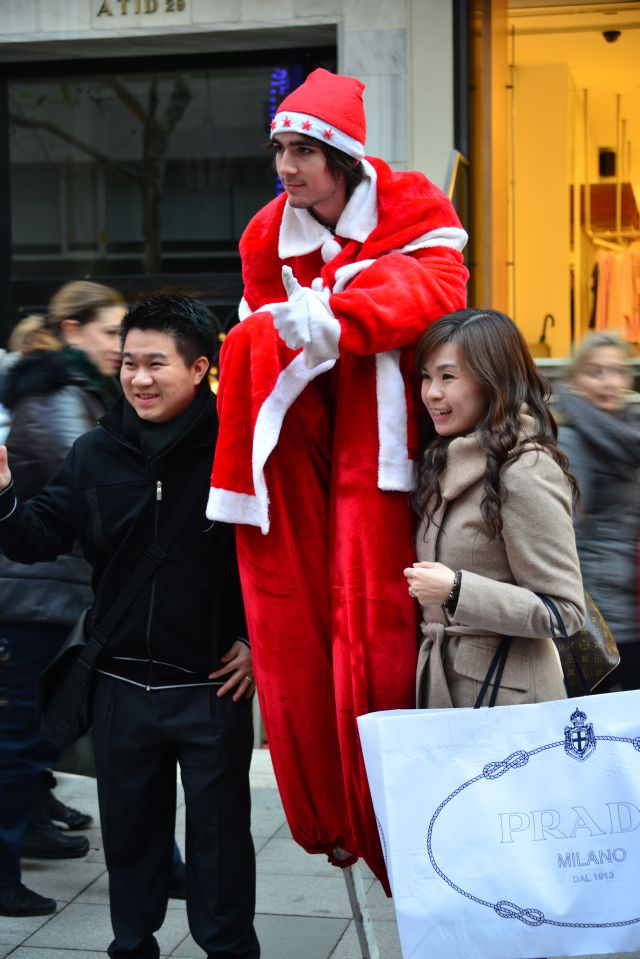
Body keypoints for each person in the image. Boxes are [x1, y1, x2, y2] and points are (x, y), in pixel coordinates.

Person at [207, 67, 468, 889]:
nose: (285, 166)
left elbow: (437, 287)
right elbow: (258, 326)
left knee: (373, 621)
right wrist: (279, 331)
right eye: (278, 148)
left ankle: (388, 817)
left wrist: (339, 310)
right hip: (293, 438)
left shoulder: (413, 202)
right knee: (290, 626)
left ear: (342, 157)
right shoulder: (263, 234)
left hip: (380, 439)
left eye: (300, 150)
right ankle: (326, 808)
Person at [0, 294, 259, 959]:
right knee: (131, 845)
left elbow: (283, 559)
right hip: (118, 686)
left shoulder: (240, 451)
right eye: (127, 363)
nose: (139, 378)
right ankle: (131, 947)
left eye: (156, 363)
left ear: (200, 366)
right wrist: (2, 495)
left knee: (220, 847)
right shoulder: (94, 452)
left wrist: (259, 644)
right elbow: (35, 537)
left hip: (211, 688)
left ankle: (229, 949)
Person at [0, 282, 125, 918]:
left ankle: (30, 827)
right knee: (20, 735)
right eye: (110, 331)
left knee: (37, 730)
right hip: (32, 594)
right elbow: (81, 484)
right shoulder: (55, 394)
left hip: (51, 591)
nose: (120, 344)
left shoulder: (71, 388)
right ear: (73, 330)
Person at [404, 308, 585, 709]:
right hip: (446, 690)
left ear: (491, 382)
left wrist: (456, 590)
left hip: (510, 706)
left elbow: (564, 611)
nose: (432, 392)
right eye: (427, 376)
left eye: (448, 377)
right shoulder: (445, 459)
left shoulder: (525, 468)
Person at [555, 331, 640, 691]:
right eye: (595, 372)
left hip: (630, 605)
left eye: (616, 371)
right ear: (575, 381)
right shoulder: (572, 440)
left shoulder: (629, 433)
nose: (608, 382)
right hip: (598, 618)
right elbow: (567, 535)